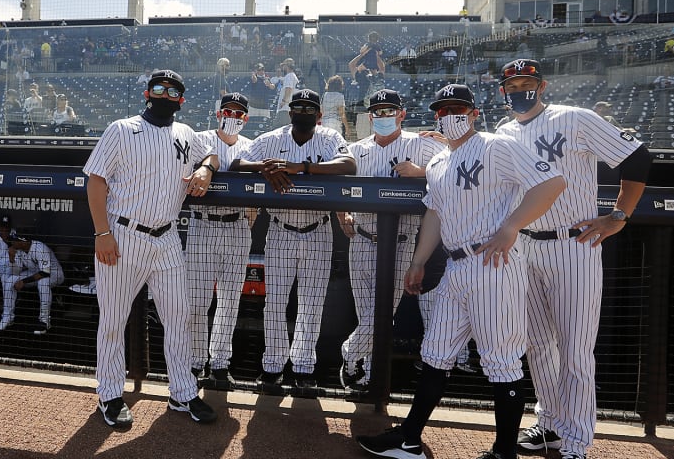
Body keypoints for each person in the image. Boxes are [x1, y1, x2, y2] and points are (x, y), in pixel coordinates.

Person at [357, 83, 566, 459]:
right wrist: (419, 261)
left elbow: (552, 183)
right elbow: (435, 213)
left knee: (501, 361)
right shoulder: (437, 161)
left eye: (458, 108)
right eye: (443, 109)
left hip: (494, 264)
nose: (450, 115)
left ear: (473, 113)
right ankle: (409, 439)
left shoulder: (495, 144)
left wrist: (512, 226)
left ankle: (504, 452)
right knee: (435, 352)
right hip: (455, 266)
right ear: (436, 116)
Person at [494, 59, 651, 459]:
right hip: (524, 245)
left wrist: (619, 215)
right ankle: (550, 426)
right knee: (537, 344)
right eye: (513, 84)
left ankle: (577, 442)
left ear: (542, 86)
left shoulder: (575, 118)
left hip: (572, 244)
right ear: (502, 91)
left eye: (527, 81)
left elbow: (637, 158)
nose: (520, 89)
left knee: (576, 348)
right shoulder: (503, 131)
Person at [83, 69, 219, 428]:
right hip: (123, 235)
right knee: (113, 319)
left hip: (168, 236)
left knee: (180, 316)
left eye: (172, 90)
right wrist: (102, 233)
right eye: (159, 87)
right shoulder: (122, 129)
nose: (165, 93)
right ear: (148, 92)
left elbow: (213, 156)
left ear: (181, 99)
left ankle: (182, 392)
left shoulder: (186, 133)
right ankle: (110, 394)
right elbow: (96, 181)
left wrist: (205, 168)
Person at [230, 89, 356, 390]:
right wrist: (264, 168)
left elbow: (349, 165)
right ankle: (273, 366)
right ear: (290, 112)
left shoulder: (327, 138)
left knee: (311, 304)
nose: (303, 112)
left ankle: (303, 368)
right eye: (298, 107)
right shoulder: (272, 139)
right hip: (280, 229)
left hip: (318, 229)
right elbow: (236, 164)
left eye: (309, 108)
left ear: (319, 114)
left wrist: (302, 168)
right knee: (274, 303)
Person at [337, 89, 444, 390]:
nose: (384, 117)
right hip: (361, 238)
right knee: (367, 314)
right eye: (378, 112)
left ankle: (349, 353)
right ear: (370, 116)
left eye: (389, 111)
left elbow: (457, 166)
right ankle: (368, 375)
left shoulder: (421, 144)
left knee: (382, 314)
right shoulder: (356, 149)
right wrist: (341, 214)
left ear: (402, 114)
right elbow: (335, 185)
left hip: (401, 240)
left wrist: (421, 171)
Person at [186, 92, 256, 383]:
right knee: (197, 302)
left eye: (239, 113)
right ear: (218, 114)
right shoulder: (200, 139)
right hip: (204, 224)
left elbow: (257, 187)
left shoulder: (252, 147)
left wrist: (253, 210)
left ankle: (220, 364)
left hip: (237, 226)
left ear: (246, 119)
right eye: (228, 111)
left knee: (230, 302)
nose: (233, 117)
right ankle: (195, 361)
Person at [0, 235, 64, 335]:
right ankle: (7, 317)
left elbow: (45, 273)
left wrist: (23, 282)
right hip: (33, 273)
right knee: (10, 280)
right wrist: (12, 258)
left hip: (54, 274)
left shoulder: (40, 248)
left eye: (15, 240)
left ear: (24, 241)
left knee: (43, 282)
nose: (12, 243)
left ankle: (44, 321)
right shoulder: (18, 250)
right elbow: (16, 272)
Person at [272, 59, 300, 126]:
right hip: (291, 108)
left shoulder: (289, 76)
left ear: (287, 66)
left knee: (277, 128)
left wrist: (284, 101)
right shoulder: (293, 76)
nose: (282, 68)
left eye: (283, 65)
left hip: (285, 108)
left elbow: (288, 89)